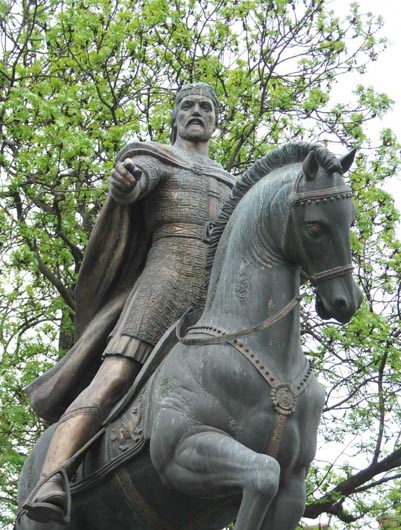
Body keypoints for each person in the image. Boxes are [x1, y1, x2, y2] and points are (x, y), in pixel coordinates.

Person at [23, 82, 235, 524]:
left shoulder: (231, 182)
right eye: (188, 106)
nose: (197, 112)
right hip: (161, 286)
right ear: (175, 117)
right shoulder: (157, 158)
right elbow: (134, 183)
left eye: (206, 107)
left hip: (214, 304)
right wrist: (126, 182)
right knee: (114, 376)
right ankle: (50, 475)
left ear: (217, 120)